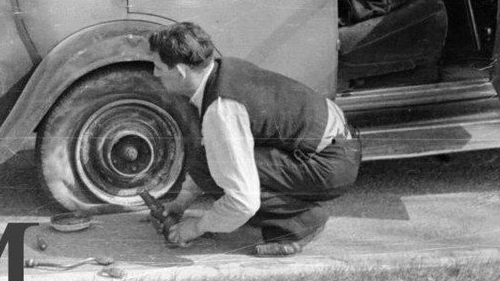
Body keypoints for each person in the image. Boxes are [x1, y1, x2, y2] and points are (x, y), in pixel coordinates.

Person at [147, 21, 362, 255]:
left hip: (331, 163)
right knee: (212, 159)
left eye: (158, 67)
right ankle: (294, 214)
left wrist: (195, 227)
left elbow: (243, 201)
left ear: (180, 71)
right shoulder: (222, 71)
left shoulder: (222, 109)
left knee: (222, 173)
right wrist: (180, 204)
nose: (155, 73)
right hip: (334, 145)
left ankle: (302, 221)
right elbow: (207, 154)